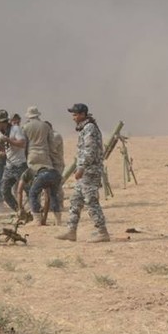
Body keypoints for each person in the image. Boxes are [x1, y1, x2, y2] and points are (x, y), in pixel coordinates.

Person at [56, 103, 110, 243]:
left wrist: (81, 168)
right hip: (86, 171)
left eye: (75, 115)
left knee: (90, 200)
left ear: (83, 114)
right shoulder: (85, 128)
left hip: (90, 171)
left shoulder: (89, 128)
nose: (73, 118)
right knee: (75, 201)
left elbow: (90, 151)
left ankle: (102, 232)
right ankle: (71, 231)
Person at [21, 106, 62, 224]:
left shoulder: (25, 127)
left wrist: (26, 156)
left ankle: (37, 218)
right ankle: (57, 219)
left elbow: (25, 144)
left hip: (32, 157)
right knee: (51, 192)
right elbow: (51, 144)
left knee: (34, 190)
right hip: (45, 157)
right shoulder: (46, 126)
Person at [0, 109, 27, 214]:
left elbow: (22, 143)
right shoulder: (1, 133)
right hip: (9, 166)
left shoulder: (15, 129)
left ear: (2, 122)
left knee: (29, 190)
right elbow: (3, 148)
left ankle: (36, 212)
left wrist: (8, 140)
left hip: (19, 165)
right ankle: (19, 211)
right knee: (4, 191)